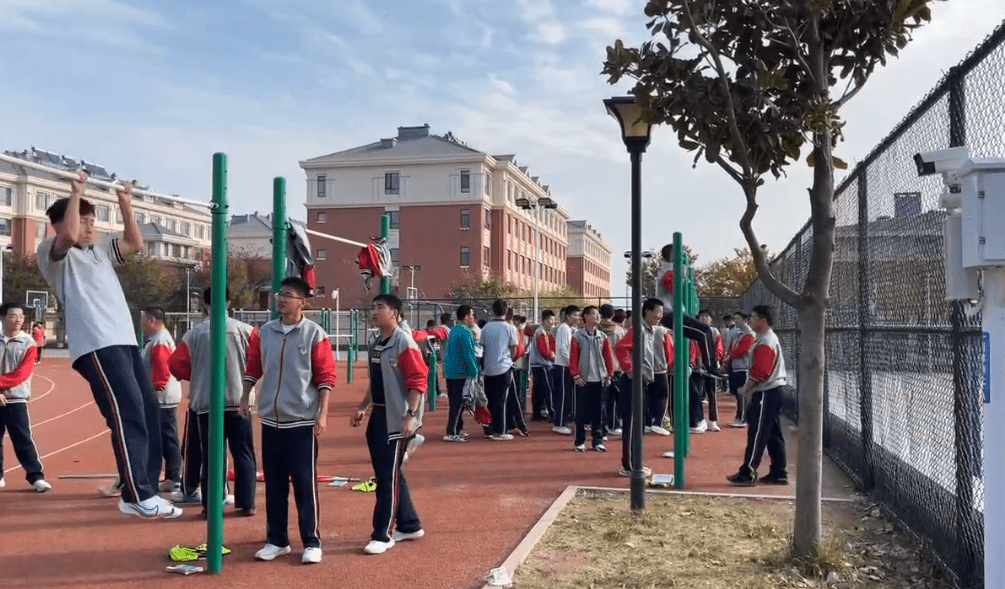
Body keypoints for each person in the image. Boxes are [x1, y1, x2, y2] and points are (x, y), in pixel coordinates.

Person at [36, 171, 180, 519]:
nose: (88, 228)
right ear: (59, 224)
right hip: (98, 345)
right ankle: (137, 495)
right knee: (127, 413)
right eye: (82, 221)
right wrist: (76, 192)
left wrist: (125, 204)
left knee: (147, 412)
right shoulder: (54, 253)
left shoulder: (100, 250)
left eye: (91, 221)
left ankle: (142, 491)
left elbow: (134, 243)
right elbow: (68, 234)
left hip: (126, 342)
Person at [242, 277, 337, 564]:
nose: (281, 299)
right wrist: (246, 395)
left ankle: (311, 540)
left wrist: (322, 413)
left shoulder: (314, 334)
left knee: (305, 484)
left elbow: (325, 377)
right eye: (279, 294)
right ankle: (277, 540)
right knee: (274, 484)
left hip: (301, 423)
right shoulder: (265, 332)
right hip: (272, 421)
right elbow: (254, 367)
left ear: (302, 302)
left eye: (288, 295)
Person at [169, 288, 258, 516]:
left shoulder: (194, 334)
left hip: (206, 402)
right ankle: (247, 503)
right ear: (228, 302)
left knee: (211, 456)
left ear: (206, 306)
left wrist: (196, 375)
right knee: (244, 452)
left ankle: (210, 505)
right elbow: (259, 360)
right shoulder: (246, 331)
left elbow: (176, 365)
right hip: (240, 400)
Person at [351, 294, 428, 555]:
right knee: (390, 473)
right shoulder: (376, 343)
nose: (375, 311)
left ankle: (382, 534)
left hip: (397, 418)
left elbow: (418, 381)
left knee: (386, 478)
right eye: (374, 306)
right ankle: (409, 524)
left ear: (394, 313)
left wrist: (410, 416)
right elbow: (377, 381)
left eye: (380, 307)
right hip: (380, 415)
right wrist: (363, 407)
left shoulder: (404, 342)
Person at [727, 305, 789, 486]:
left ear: (763, 320)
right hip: (771, 391)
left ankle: (748, 472)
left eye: (753, 317)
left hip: (767, 392)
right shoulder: (764, 339)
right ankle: (779, 472)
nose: (750, 320)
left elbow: (761, 370)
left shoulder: (766, 341)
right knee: (772, 434)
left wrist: (747, 387)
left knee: (757, 433)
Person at [0, 302, 49, 492]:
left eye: (21, 316)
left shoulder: (29, 343)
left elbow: (22, 374)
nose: (19, 320)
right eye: (13, 316)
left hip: (16, 399)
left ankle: (36, 476)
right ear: (3, 319)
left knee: (23, 438)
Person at [613, 298, 665, 478]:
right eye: (658, 312)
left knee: (639, 423)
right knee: (633, 423)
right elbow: (621, 347)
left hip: (642, 381)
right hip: (633, 382)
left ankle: (636, 462)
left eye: (661, 313)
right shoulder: (638, 330)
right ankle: (629, 465)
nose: (660, 316)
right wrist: (629, 369)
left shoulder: (649, 331)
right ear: (647, 312)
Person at [139, 306, 182, 494]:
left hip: (161, 398)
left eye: (143, 319)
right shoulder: (156, 339)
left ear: (151, 320)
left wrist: (155, 390)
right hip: (162, 397)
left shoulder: (160, 340)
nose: (141, 324)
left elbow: (162, 369)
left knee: (160, 438)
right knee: (166, 437)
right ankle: (172, 477)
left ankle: (166, 477)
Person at [654, 244, 717, 372]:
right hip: (669, 314)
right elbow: (675, 288)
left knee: (703, 331)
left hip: (675, 313)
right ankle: (710, 365)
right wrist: (683, 274)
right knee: (703, 331)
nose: (683, 255)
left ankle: (710, 364)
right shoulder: (669, 269)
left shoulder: (673, 269)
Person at [569, 306, 614, 452]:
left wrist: (610, 373)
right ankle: (580, 441)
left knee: (598, 412)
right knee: (581, 412)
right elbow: (573, 357)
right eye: (594, 314)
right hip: (583, 379)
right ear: (586, 317)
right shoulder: (577, 336)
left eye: (598, 314)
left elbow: (608, 356)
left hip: (599, 378)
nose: (597, 317)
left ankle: (598, 440)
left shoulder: (602, 336)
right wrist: (576, 374)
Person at [480, 299, 522, 440]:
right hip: (503, 368)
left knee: (490, 399)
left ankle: (490, 429)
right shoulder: (509, 327)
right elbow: (514, 348)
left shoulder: (486, 327)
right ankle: (500, 430)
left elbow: (482, 347)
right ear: (505, 312)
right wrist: (511, 359)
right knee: (501, 401)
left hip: (488, 368)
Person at [443, 305, 478, 442]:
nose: (473, 318)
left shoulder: (454, 330)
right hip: (460, 372)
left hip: (451, 371)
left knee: (454, 402)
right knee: (458, 403)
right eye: (471, 315)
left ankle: (456, 428)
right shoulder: (466, 332)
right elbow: (469, 353)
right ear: (466, 316)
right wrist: (474, 371)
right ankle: (452, 432)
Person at [725, 312, 756, 427]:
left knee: (742, 394)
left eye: (738, 319)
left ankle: (743, 418)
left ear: (745, 320)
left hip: (744, 367)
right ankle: (740, 416)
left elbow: (743, 350)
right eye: (735, 318)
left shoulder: (749, 334)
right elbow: (733, 347)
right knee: (738, 394)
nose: (736, 321)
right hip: (736, 367)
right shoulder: (738, 334)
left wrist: (729, 357)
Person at [598, 304, 626, 436]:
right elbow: (623, 350)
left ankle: (600, 425)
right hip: (615, 367)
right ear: (613, 315)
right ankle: (613, 424)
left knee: (600, 398)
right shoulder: (619, 331)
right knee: (615, 398)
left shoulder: (595, 329)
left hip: (598, 368)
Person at [552, 305, 579, 434]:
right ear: (568, 316)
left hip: (566, 366)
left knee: (567, 394)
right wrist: (570, 362)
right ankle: (559, 423)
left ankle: (564, 420)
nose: (577, 318)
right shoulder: (563, 328)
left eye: (578, 315)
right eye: (574, 315)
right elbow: (563, 347)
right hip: (563, 367)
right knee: (562, 395)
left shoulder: (570, 329)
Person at [528, 310, 556, 421]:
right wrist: (554, 356)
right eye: (551, 320)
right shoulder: (541, 333)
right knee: (548, 389)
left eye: (553, 320)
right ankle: (552, 412)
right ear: (544, 321)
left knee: (538, 390)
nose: (552, 323)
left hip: (537, 364)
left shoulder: (542, 332)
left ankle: (537, 412)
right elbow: (544, 351)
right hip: (542, 364)